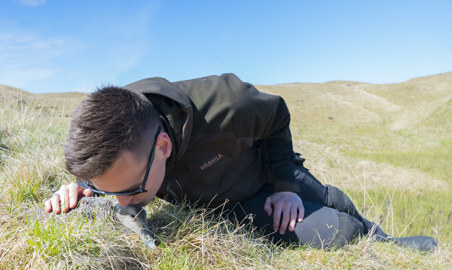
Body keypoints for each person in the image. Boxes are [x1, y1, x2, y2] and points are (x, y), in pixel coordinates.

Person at [44, 73, 438, 251]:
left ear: (163, 146)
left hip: (271, 171)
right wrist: (85, 189)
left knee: (334, 200)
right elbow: (109, 182)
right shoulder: (119, 145)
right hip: (237, 207)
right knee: (338, 231)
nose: (124, 204)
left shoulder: (228, 103)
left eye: (129, 190)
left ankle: (388, 241)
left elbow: (277, 116)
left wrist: (285, 188)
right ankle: (368, 238)